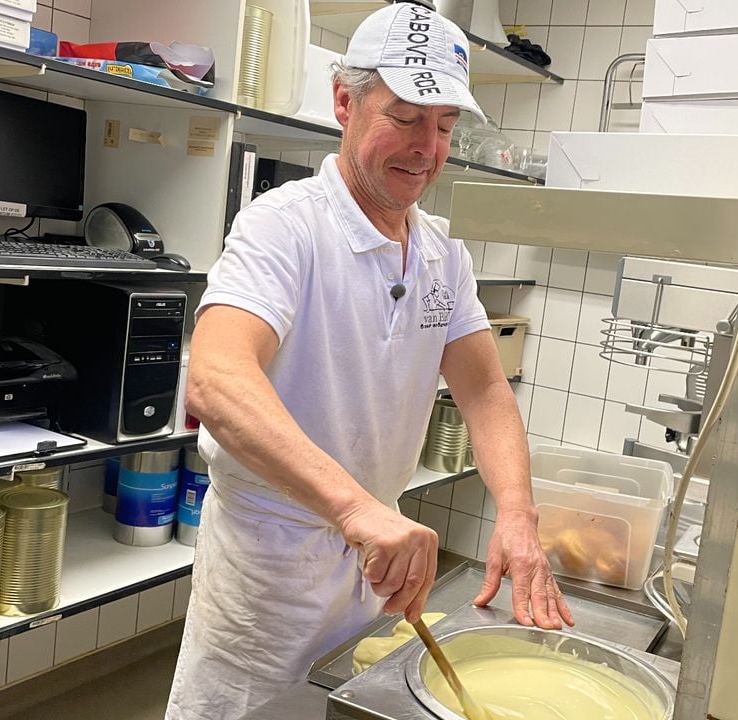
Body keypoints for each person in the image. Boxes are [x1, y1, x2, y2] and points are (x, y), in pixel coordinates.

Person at [166, 4, 573, 718]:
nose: (427, 147)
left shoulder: (443, 253)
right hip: (272, 571)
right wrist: (355, 507)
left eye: (445, 125)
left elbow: (482, 388)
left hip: (375, 563)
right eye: (407, 118)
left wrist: (517, 514)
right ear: (345, 102)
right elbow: (217, 379)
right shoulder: (285, 227)